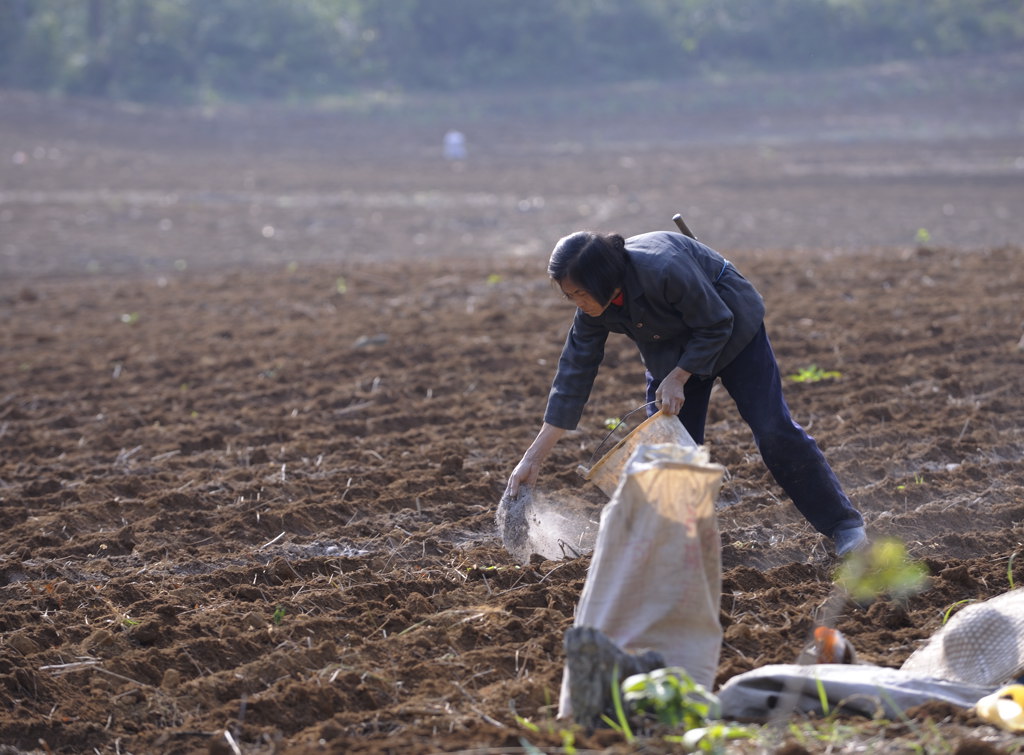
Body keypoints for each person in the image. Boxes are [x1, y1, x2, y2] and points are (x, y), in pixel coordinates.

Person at [505, 229, 868, 557]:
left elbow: (716, 322)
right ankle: (682, 549)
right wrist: (534, 458)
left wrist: (680, 377)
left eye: (579, 293)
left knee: (772, 428)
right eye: (569, 296)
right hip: (669, 348)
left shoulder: (664, 268)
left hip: (731, 328)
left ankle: (843, 526)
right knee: (669, 452)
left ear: (602, 280)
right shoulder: (592, 307)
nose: (576, 302)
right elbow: (574, 373)